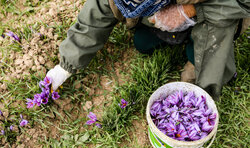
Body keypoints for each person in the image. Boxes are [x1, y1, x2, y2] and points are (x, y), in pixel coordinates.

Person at [46, 0, 250, 101]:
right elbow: (100, 8)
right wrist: (66, 66)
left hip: (214, 10)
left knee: (201, 69)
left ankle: (202, 85)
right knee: (142, 42)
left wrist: (190, 11)